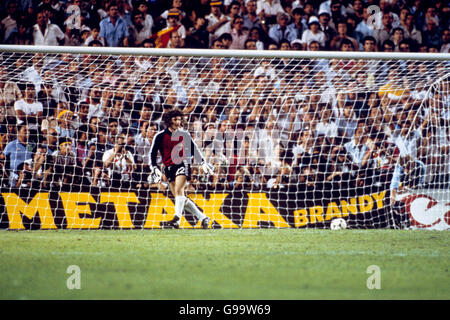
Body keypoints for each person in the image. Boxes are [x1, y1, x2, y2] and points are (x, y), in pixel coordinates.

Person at [149, 108, 214, 229]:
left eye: (179, 119)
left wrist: (203, 163)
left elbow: (194, 149)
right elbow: (152, 154)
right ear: (169, 120)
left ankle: (176, 220)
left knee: (179, 191)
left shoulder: (184, 134)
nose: (178, 122)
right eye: (175, 119)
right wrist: (154, 167)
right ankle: (203, 217)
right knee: (180, 198)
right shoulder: (160, 136)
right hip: (168, 168)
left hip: (183, 164)